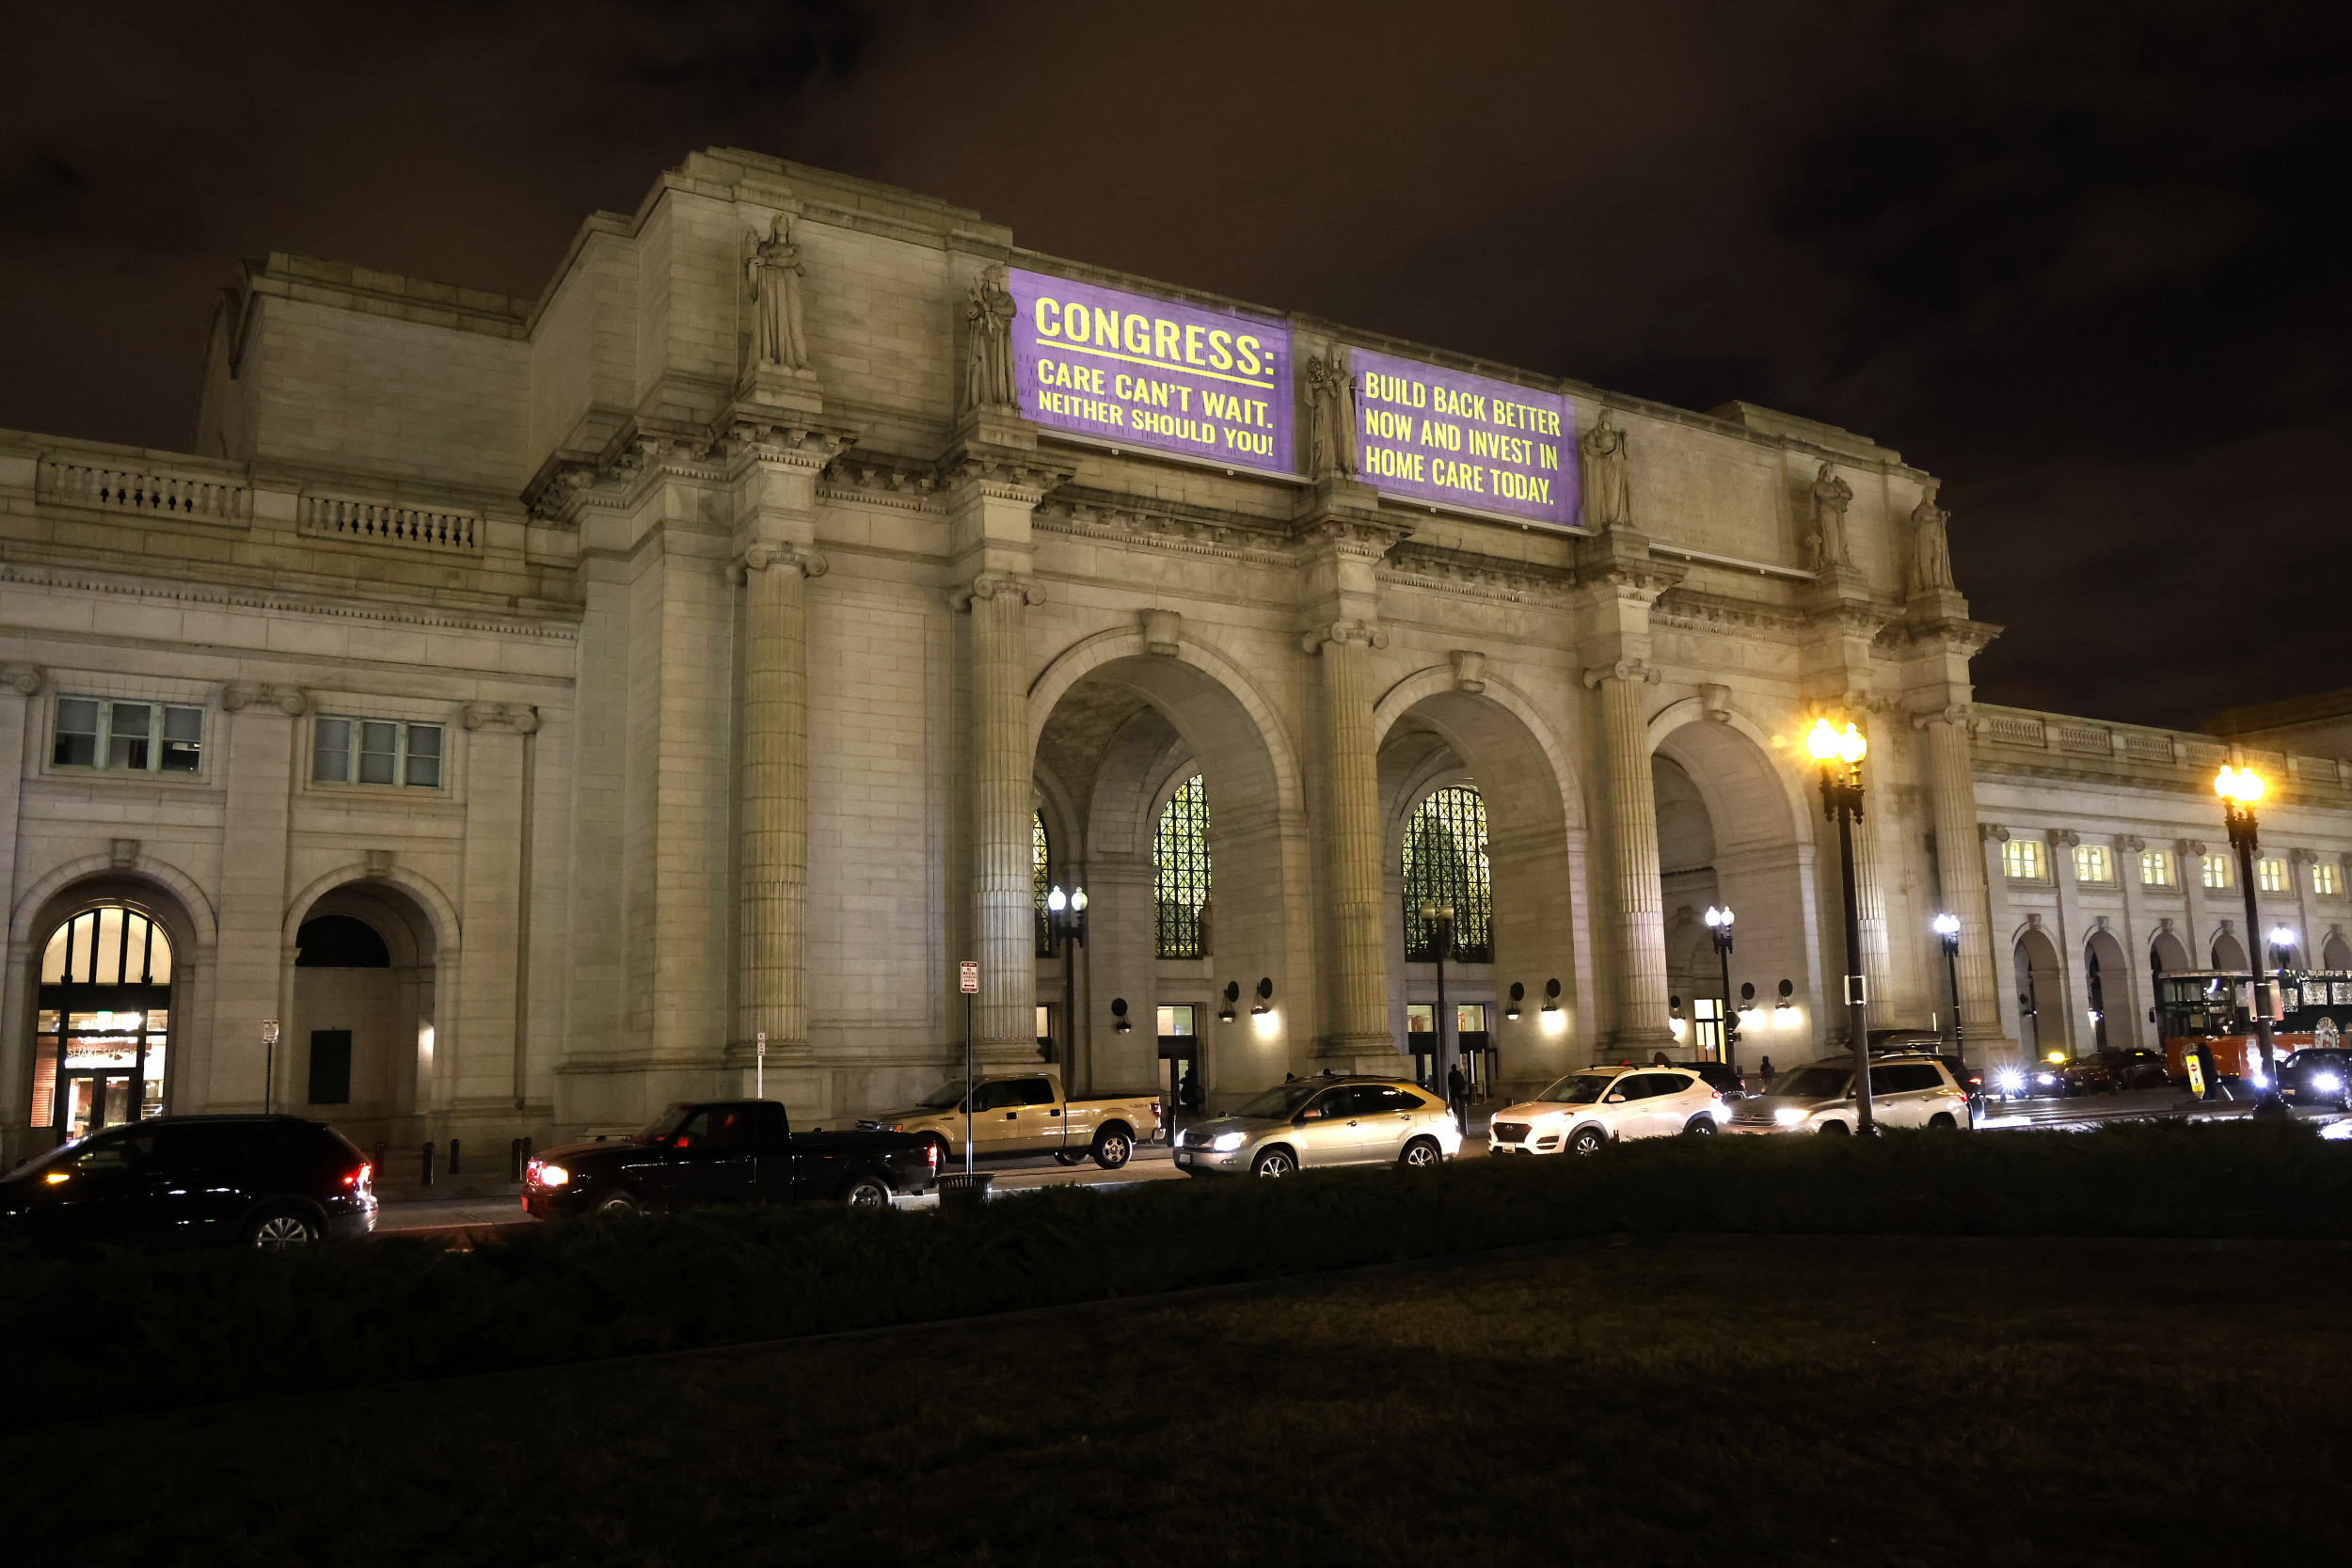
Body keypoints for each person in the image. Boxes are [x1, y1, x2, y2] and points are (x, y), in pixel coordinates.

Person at [1446, 1061, 1470, 1131]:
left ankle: (1455, 1108)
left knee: (1454, 1099)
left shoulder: (1451, 1074)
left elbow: (1449, 1082)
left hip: (1454, 1089)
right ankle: (1459, 1106)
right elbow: (1462, 1081)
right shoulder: (1459, 1073)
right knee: (1459, 1098)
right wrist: (1462, 1087)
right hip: (1458, 1089)